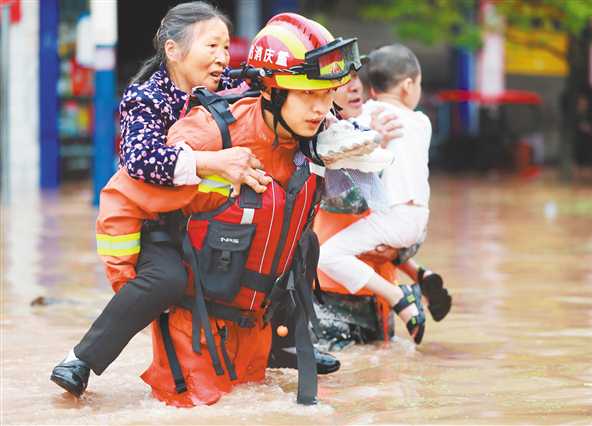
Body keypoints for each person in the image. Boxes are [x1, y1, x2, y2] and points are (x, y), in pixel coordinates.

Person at [49, 2, 335, 400]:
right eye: (212, 46)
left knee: (296, 243)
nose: (222, 57)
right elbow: (139, 161)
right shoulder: (146, 98)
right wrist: (213, 161)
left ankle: (285, 346)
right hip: (157, 220)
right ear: (173, 50)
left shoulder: (224, 85)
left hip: (207, 215)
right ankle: (82, 358)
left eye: (225, 47)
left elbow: (271, 88)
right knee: (165, 280)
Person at [317, 44, 451, 346]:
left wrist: (369, 135)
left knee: (330, 255)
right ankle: (417, 277)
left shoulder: (366, 118)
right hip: (412, 224)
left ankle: (402, 295)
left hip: (364, 284)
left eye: (357, 80)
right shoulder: (421, 121)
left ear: (370, 88)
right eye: (343, 82)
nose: (353, 88)